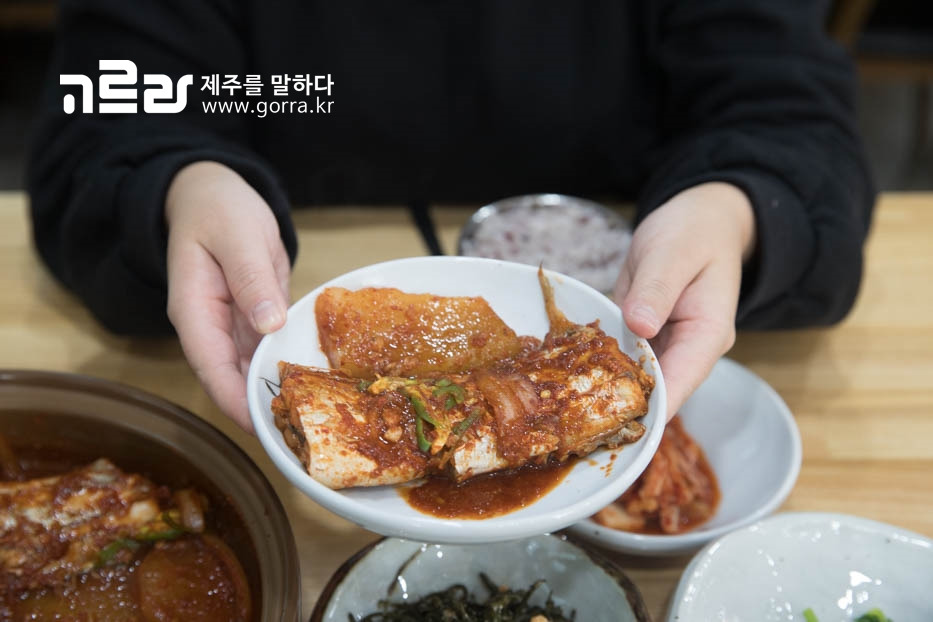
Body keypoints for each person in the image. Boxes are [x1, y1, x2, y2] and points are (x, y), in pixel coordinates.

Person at [27, 1, 875, 433]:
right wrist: (177, 181)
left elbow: (786, 110)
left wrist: (738, 205)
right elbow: (108, 98)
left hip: (603, 282)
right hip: (286, 301)